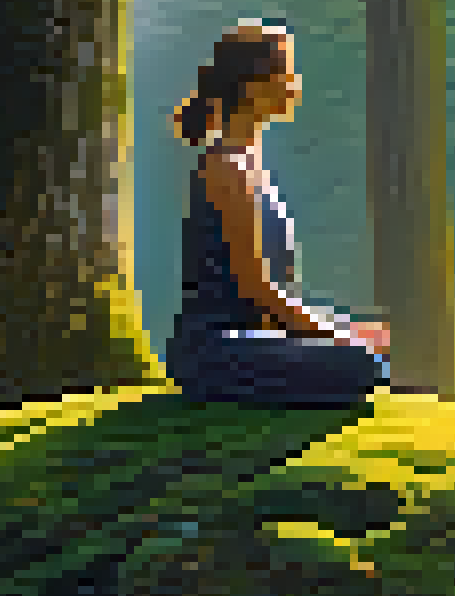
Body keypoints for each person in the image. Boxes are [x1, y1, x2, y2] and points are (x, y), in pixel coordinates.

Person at [165, 21, 392, 407]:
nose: (295, 85)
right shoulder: (226, 168)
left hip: (258, 339)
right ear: (253, 88)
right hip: (216, 351)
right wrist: (337, 336)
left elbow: (276, 296)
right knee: (361, 361)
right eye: (285, 73)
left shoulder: (253, 165)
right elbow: (257, 291)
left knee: (376, 346)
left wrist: (343, 329)